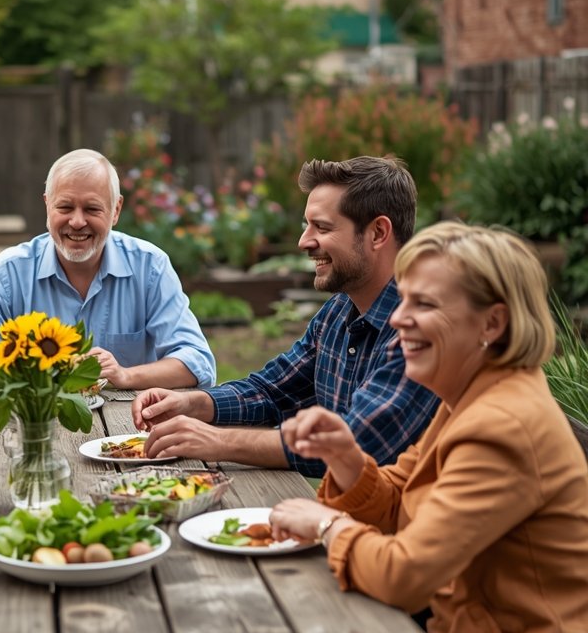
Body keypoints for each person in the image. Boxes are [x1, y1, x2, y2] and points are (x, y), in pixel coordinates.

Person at [269, 222, 588, 633]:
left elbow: (405, 574)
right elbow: (402, 498)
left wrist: (329, 524)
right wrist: (348, 460)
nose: (398, 319)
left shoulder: (501, 424)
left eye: (425, 304)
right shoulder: (471, 393)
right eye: (404, 299)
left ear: (492, 324)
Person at [132, 156, 439, 476]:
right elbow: (273, 391)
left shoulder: (418, 329)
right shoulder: (339, 311)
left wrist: (218, 441)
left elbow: (354, 445)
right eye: (307, 225)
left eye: (322, 227)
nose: (304, 241)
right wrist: (195, 404)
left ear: (377, 233)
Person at [0, 148, 216, 390]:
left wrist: (125, 375)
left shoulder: (150, 267)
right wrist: (48, 370)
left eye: (92, 209)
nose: (77, 222)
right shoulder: (6, 274)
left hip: (127, 430)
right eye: (65, 207)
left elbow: (197, 361)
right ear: (47, 205)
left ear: (115, 210)